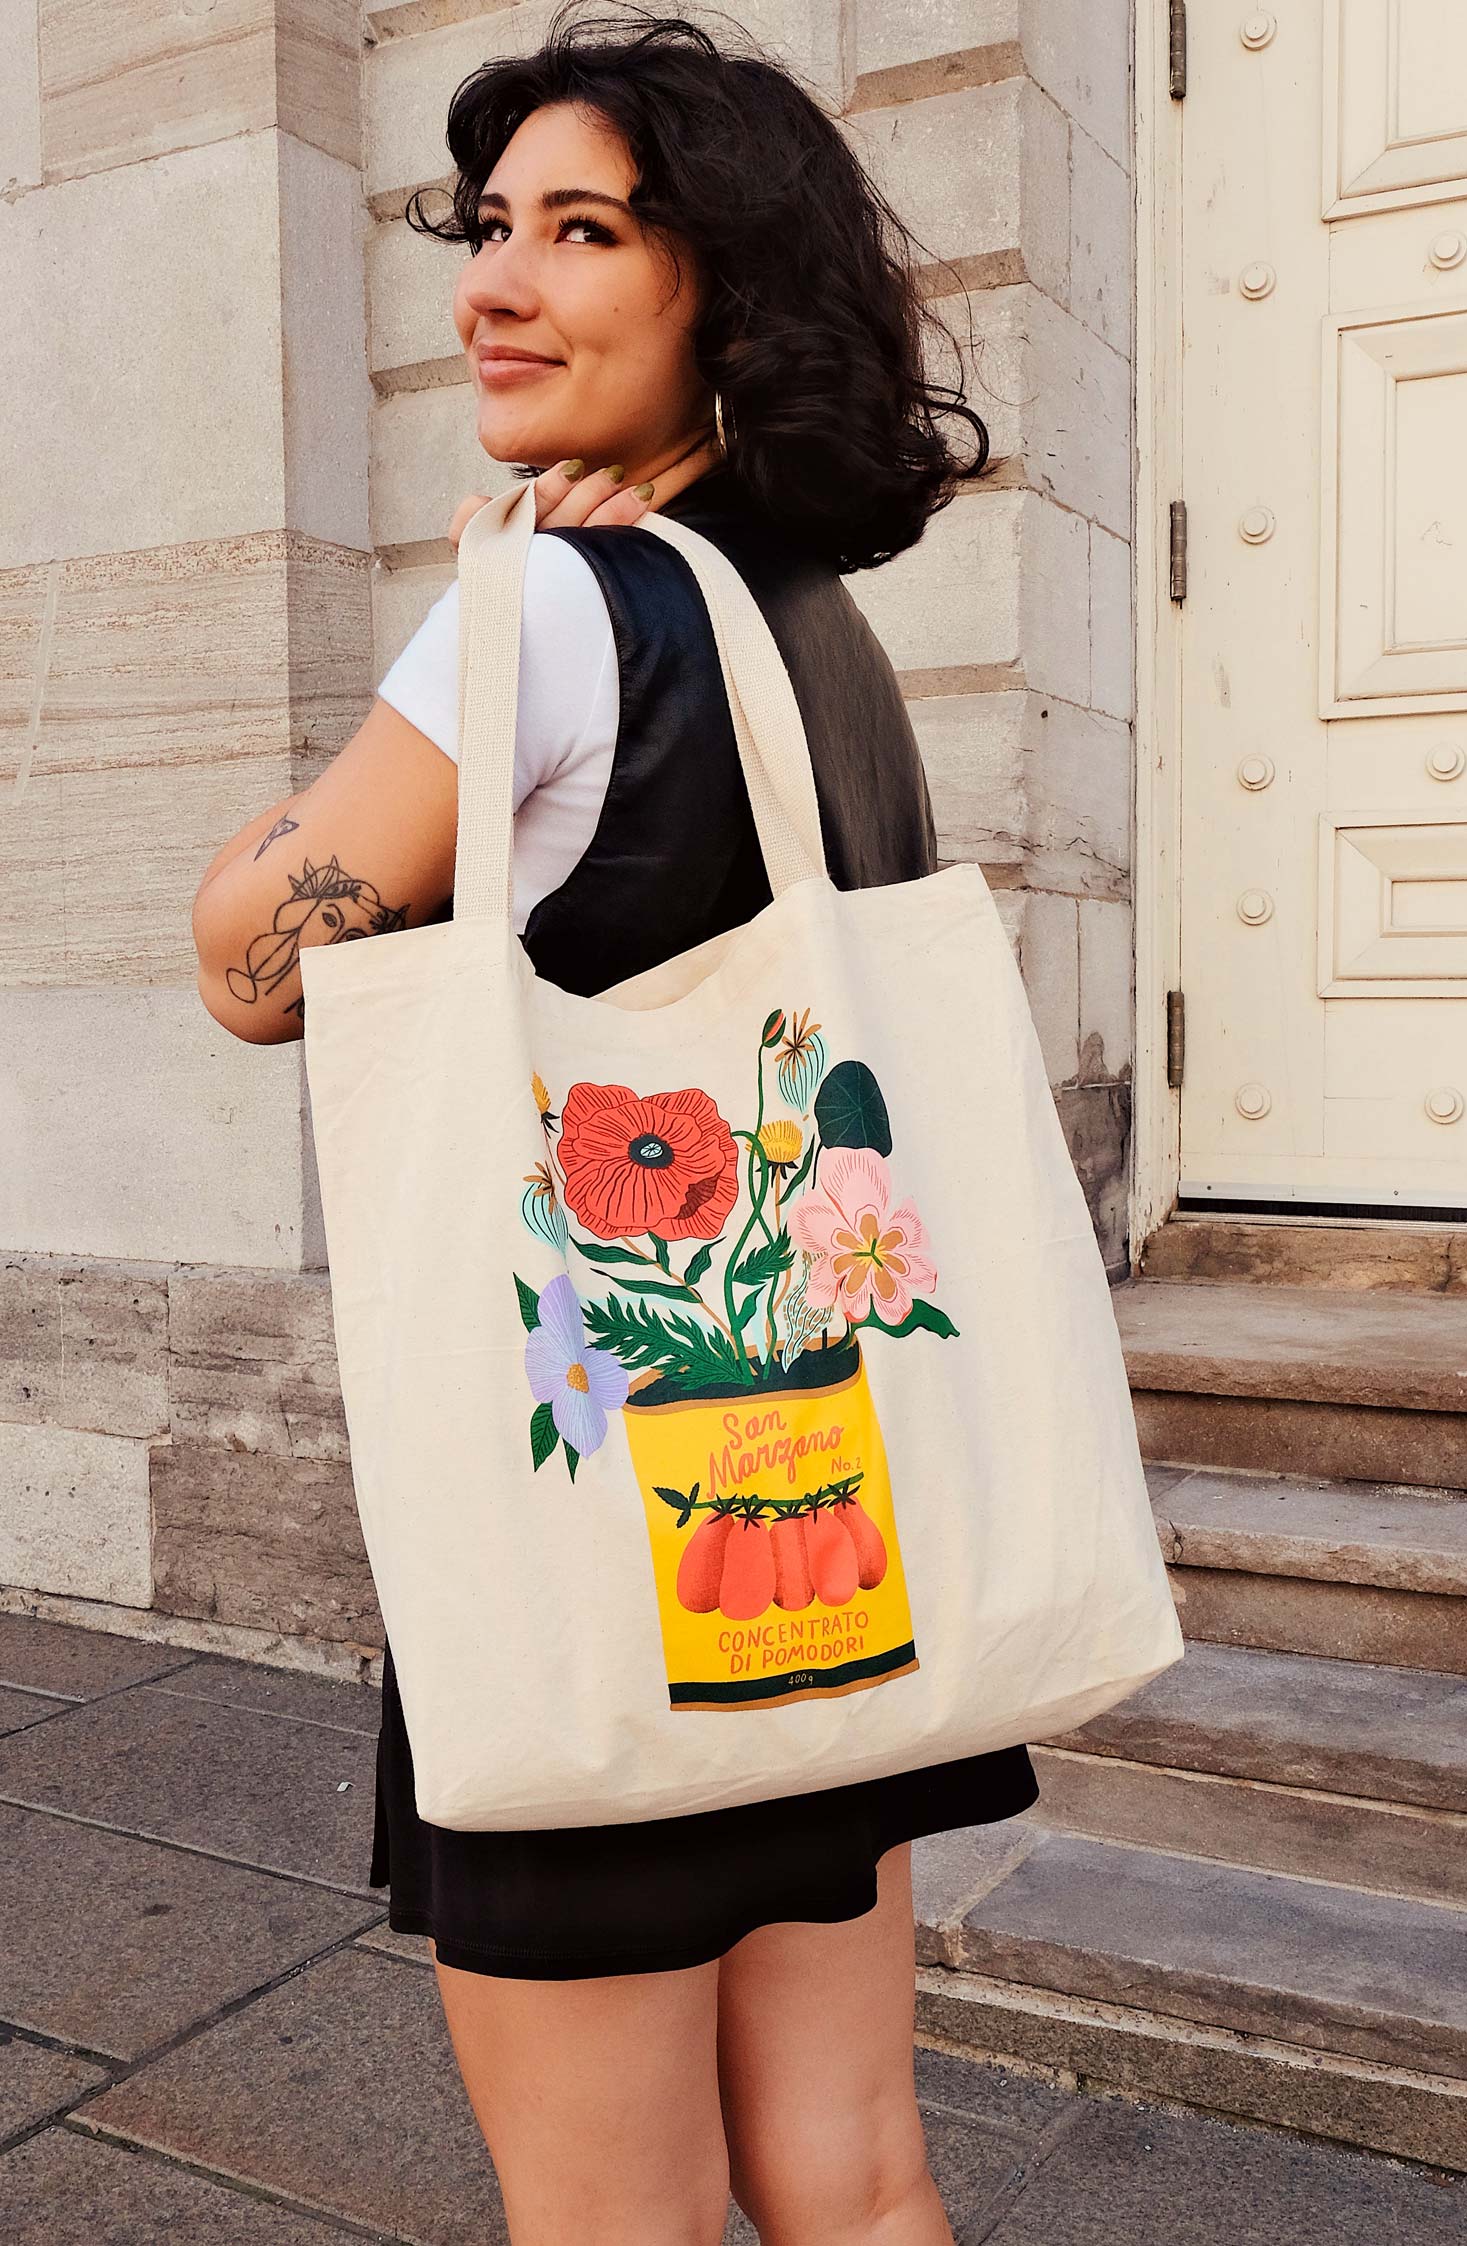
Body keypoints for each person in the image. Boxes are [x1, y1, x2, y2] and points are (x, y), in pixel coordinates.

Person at [190, 8, 1040, 2240]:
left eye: (580, 231)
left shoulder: (542, 614)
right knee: (857, 2183)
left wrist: (455, 642)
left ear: (721, 295)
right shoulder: (815, 633)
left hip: (594, 1562)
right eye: (486, 226)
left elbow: (242, 963)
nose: (492, 282)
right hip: (825, 1543)